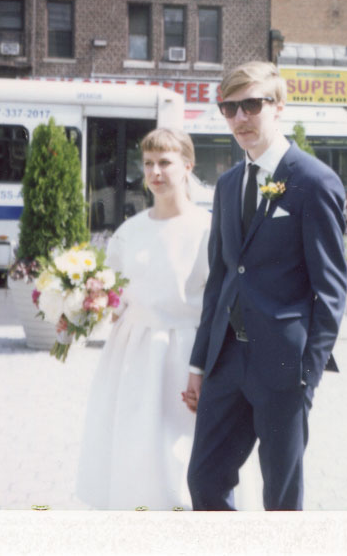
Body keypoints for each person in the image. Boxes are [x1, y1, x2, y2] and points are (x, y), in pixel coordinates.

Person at [184, 61, 347, 511]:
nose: (239, 118)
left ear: (279, 107)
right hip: (225, 365)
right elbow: (220, 280)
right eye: (229, 108)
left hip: (283, 368)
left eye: (251, 105)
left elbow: (331, 291)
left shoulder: (313, 181)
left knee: (280, 497)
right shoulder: (228, 184)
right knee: (204, 481)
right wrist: (200, 364)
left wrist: (306, 377)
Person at [74, 128, 258, 510]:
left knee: (182, 449)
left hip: (185, 355)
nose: (155, 172)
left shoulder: (207, 229)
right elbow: (114, 295)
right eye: (148, 164)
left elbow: (220, 303)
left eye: (165, 163)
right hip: (133, 353)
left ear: (187, 166)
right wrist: (82, 304)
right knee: (136, 443)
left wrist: (207, 368)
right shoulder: (130, 231)